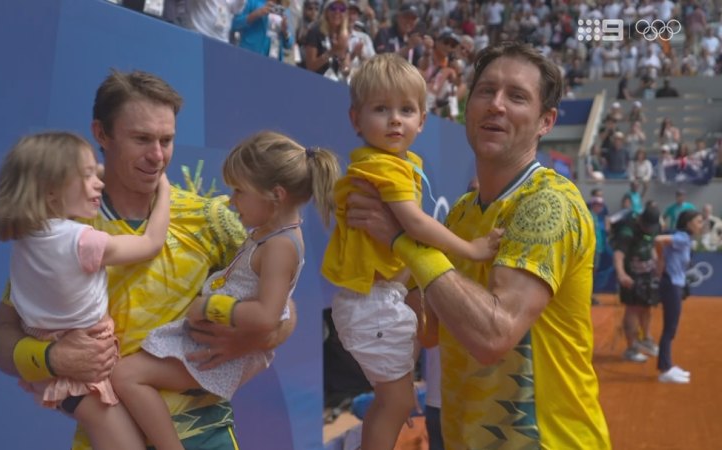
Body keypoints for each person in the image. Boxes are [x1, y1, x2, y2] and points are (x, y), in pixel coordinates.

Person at [0, 70, 296, 450]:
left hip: (204, 434)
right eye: (142, 139)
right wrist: (53, 357)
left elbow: (284, 308)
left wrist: (249, 341)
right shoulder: (60, 233)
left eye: (167, 140)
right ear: (101, 134)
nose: (157, 156)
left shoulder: (212, 220)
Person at [344, 42, 611, 448]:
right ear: (467, 108)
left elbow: (492, 336)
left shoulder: (548, 203)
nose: (496, 105)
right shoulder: (463, 213)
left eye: (517, 96)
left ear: (546, 121)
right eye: (486, 91)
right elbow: (432, 330)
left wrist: (405, 242)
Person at [111, 131, 339, 450]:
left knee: (125, 376)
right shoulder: (269, 234)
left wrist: (209, 308)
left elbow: (267, 315)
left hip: (218, 352)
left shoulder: (279, 247)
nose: (232, 200)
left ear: (276, 195)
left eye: (240, 191)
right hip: (210, 340)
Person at [321, 53, 501, 450]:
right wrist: (471, 248)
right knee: (397, 401)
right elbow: (417, 224)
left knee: (394, 400)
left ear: (423, 119)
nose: (395, 120)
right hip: (372, 303)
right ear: (356, 119)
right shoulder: (384, 167)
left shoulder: (398, 163)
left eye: (406, 110)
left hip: (380, 299)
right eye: (381, 109)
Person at [0, 131, 170, 449]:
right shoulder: (82, 240)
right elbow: (150, 243)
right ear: (51, 192)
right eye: (87, 175)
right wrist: (164, 189)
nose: (99, 181)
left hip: (51, 365)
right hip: (84, 375)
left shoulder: (27, 241)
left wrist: (90, 172)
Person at [654, 209, 702, 383]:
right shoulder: (682, 238)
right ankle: (665, 370)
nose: (700, 225)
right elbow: (658, 240)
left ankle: (667, 365)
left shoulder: (685, 239)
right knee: (670, 328)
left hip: (675, 284)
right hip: (671, 285)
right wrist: (660, 261)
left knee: (671, 328)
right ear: (688, 223)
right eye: (698, 221)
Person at [612, 203, 662, 363]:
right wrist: (621, 274)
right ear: (641, 219)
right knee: (632, 310)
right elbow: (618, 254)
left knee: (647, 307)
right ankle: (631, 348)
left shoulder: (655, 227)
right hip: (631, 277)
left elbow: (652, 245)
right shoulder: (628, 230)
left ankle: (646, 339)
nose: (649, 229)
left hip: (647, 275)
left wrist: (654, 262)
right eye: (646, 225)